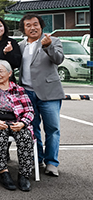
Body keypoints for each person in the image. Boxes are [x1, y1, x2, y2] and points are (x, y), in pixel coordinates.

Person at [18, 13, 64, 177]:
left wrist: (49, 45)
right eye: (28, 25)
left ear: (41, 25)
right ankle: (36, 159)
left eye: (35, 24)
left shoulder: (53, 40)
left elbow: (58, 59)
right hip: (27, 94)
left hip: (49, 93)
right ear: (23, 28)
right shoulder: (20, 45)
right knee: (32, 128)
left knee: (52, 129)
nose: (32, 27)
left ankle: (51, 163)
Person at [0, 60, 35, 191]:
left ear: (9, 73)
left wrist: (23, 123)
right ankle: (3, 172)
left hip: (17, 121)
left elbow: (30, 110)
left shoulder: (18, 89)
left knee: (26, 137)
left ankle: (24, 174)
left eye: (0, 71)